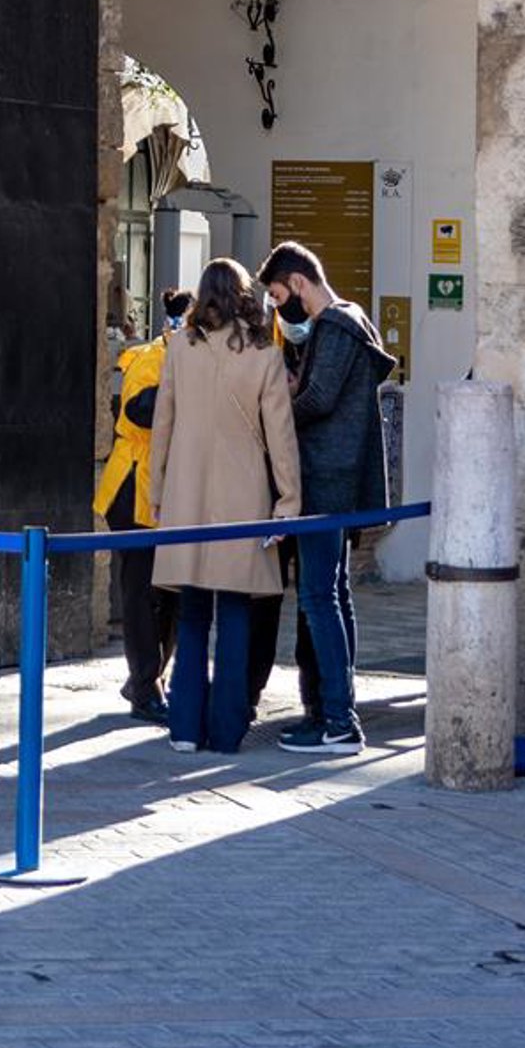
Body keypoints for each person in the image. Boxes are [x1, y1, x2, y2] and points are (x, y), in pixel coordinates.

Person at [146, 257, 301, 757]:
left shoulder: (179, 348)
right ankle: (228, 730)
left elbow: (163, 424)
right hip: (244, 497)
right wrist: (289, 500)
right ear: (242, 294)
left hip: (185, 494)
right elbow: (281, 437)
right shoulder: (264, 353)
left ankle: (185, 728)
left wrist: (156, 492)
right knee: (235, 615)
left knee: (192, 615)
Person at [260, 238, 396, 755]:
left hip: (325, 480)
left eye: (278, 297)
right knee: (334, 594)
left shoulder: (335, 325)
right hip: (341, 479)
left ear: (298, 282)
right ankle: (334, 712)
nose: (280, 310)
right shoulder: (351, 320)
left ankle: (337, 719)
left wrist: (277, 414)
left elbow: (319, 398)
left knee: (320, 597)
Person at [95, 293, 188, 720]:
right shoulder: (152, 358)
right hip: (135, 486)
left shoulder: (183, 360)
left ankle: (147, 679)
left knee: (169, 593)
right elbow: (137, 412)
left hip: (166, 488)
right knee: (142, 592)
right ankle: (145, 684)